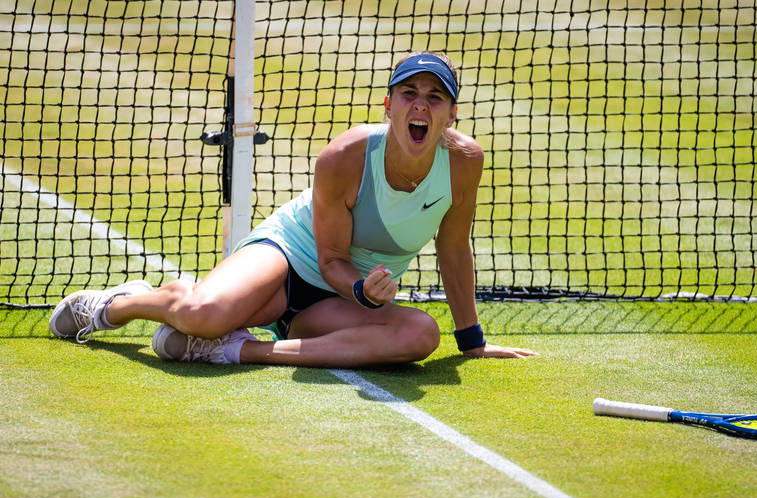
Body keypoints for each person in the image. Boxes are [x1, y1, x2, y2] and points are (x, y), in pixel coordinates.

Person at [49, 51, 537, 367]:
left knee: (420, 335)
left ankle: (240, 350)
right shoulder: (344, 156)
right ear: (388, 105)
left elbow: (453, 247)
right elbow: (328, 259)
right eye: (409, 94)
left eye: (436, 98)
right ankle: (120, 303)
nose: (421, 107)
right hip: (291, 258)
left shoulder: (463, 162)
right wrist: (363, 290)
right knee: (201, 311)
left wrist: (470, 339)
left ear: (453, 114)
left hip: (339, 305)